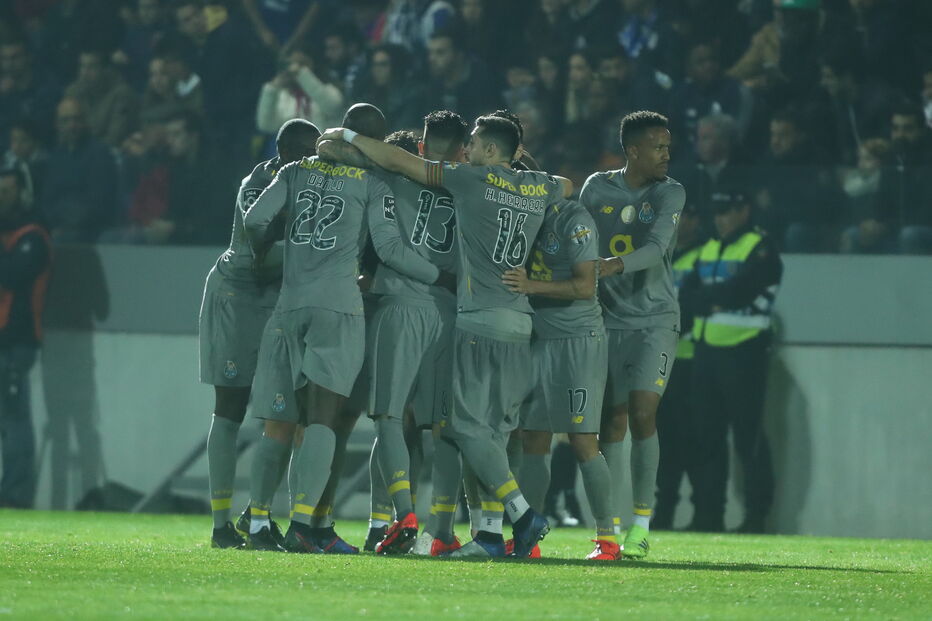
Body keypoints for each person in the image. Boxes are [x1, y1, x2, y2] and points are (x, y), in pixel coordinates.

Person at [319, 114, 573, 558]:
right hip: (510, 320)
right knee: (477, 431)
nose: (470, 148)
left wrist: (348, 136)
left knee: (433, 423)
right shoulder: (537, 185)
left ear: (487, 152)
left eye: (477, 143)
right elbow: (568, 185)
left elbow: (391, 165)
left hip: (467, 317)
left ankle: (502, 516)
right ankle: (476, 533)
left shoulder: (466, 180)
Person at [243, 104, 391, 553]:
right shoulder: (373, 182)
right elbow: (389, 247)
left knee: (277, 422)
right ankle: (305, 525)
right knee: (323, 422)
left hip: (289, 305)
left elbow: (253, 220)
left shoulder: (294, 170)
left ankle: (256, 523)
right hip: (337, 306)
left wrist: (274, 256)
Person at [319, 111, 463, 556]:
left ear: (420, 146)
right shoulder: (475, 184)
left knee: (388, 418)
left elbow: (326, 146)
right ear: (463, 150)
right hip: (451, 312)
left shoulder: (391, 176)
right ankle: (441, 529)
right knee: (440, 427)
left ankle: (400, 515)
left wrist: (354, 138)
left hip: (401, 305)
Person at [198, 118, 320, 549]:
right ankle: (219, 525)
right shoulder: (260, 182)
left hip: (278, 302)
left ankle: (257, 516)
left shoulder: (312, 182)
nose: (314, 157)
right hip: (238, 296)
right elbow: (256, 257)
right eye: (307, 150)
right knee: (230, 407)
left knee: (283, 413)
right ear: (284, 150)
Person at [579, 110, 685, 558]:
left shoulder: (671, 192)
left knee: (643, 412)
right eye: (658, 147)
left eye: (668, 146)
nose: (667, 154)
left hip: (656, 319)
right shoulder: (595, 187)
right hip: (606, 319)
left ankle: (641, 523)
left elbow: (657, 247)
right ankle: (610, 526)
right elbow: (577, 237)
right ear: (634, 150)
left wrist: (613, 265)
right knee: (611, 420)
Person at [502, 198, 617, 560]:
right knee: (534, 438)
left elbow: (585, 286)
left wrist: (530, 286)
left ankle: (608, 539)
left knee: (583, 439)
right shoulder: (522, 217)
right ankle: (528, 539)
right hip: (538, 340)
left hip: (577, 341)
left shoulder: (574, 218)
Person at [680, 191, 782, 533]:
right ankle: (708, 516)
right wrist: (713, 301)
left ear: (744, 210)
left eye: (726, 212)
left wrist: (707, 300)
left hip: (745, 352)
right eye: (717, 212)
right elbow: (687, 298)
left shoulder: (760, 247)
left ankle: (755, 517)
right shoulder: (709, 248)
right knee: (706, 438)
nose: (719, 219)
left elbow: (741, 291)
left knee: (747, 437)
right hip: (707, 352)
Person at [0, 167, 52, 508]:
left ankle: (16, 496)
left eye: (8, 191)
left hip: (17, 342)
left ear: (23, 194)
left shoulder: (32, 237)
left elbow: (12, 276)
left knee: (16, 420)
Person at [652, 203, 703, 529]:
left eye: (685, 214)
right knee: (664, 440)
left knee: (694, 440)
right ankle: (664, 510)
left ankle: (704, 511)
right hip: (663, 360)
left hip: (692, 362)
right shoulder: (659, 256)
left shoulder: (703, 256)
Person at [40, 98, 118, 243]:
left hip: (91, 229)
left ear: (86, 121)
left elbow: (100, 203)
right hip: (59, 226)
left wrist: (66, 223)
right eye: (66, 120)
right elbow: (48, 200)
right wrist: (55, 223)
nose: (72, 125)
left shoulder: (100, 153)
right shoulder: (55, 157)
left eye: (77, 119)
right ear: (57, 124)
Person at [63, 46, 139, 148]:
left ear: (105, 70)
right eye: (82, 66)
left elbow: (115, 138)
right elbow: (65, 134)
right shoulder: (73, 91)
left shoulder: (122, 94)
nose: (84, 73)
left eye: (91, 67)